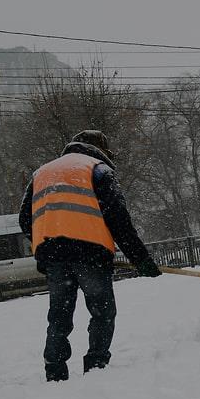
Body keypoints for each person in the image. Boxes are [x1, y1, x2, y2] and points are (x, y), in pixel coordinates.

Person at [19, 130, 162, 382]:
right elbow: (119, 220)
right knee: (102, 311)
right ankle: (96, 365)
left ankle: (54, 370)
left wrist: (47, 246)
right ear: (101, 151)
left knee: (59, 316)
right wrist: (141, 259)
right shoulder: (98, 170)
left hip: (55, 258)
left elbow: (24, 219)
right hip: (90, 256)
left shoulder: (41, 174)